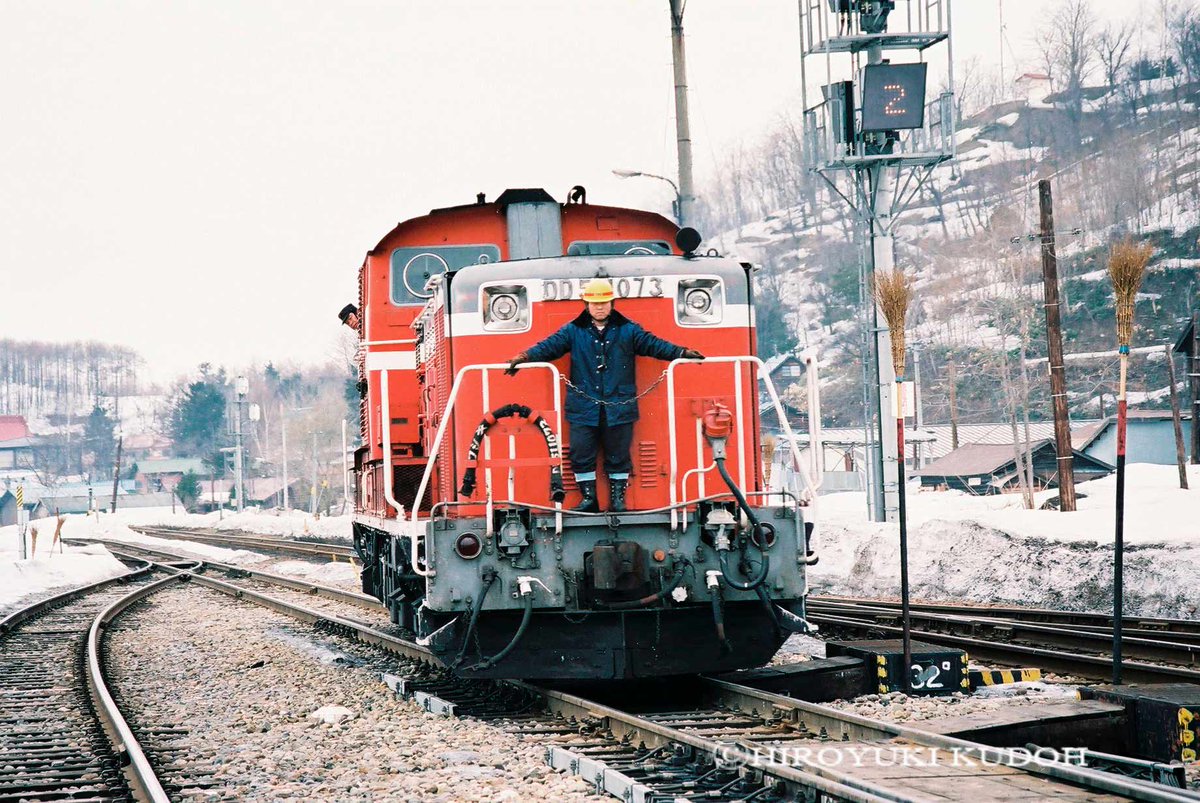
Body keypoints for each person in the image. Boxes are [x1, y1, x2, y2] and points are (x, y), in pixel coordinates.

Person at [506, 278, 703, 513]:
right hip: (583, 406)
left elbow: (654, 345)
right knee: (580, 452)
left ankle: (618, 500)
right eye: (594, 303)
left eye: (604, 303)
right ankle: (589, 500)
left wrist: (681, 352)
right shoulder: (573, 331)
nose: (599, 307)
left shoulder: (629, 330)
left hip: (619, 405)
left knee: (618, 453)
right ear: (586, 304)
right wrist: (524, 357)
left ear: (612, 303)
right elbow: (549, 346)